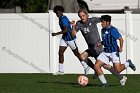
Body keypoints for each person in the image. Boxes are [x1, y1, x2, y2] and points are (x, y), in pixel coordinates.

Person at [71, 9, 129, 87]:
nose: (82, 17)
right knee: (82, 57)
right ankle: (117, 77)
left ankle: (120, 77)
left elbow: (103, 19)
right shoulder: (79, 23)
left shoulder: (93, 20)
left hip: (98, 48)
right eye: (80, 16)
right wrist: (73, 27)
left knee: (105, 66)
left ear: (87, 15)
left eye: (83, 15)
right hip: (91, 47)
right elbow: (73, 35)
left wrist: (108, 24)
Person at [94, 15, 136, 87]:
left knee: (118, 70)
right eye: (101, 22)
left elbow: (121, 39)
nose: (101, 23)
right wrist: (100, 43)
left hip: (113, 52)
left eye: (103, 22)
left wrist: (120, 48)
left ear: (108, 22)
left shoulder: (113, 30)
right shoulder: (103, 30)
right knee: (96, 66)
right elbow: (105, 40)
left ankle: (128, 63)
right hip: (106, 51)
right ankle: (105, 83)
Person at [52, 5, 94, 75]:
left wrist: (56, 33)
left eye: (59, 13)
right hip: (64, 38)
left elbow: (66, 30)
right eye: (56, 13)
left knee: (77, 54)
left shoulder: (63, 19)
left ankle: (86, 66)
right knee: (60, 53)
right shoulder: (61, 18)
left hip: (70, 38)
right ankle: (61, 70)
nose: (57, 14)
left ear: (62, 12)